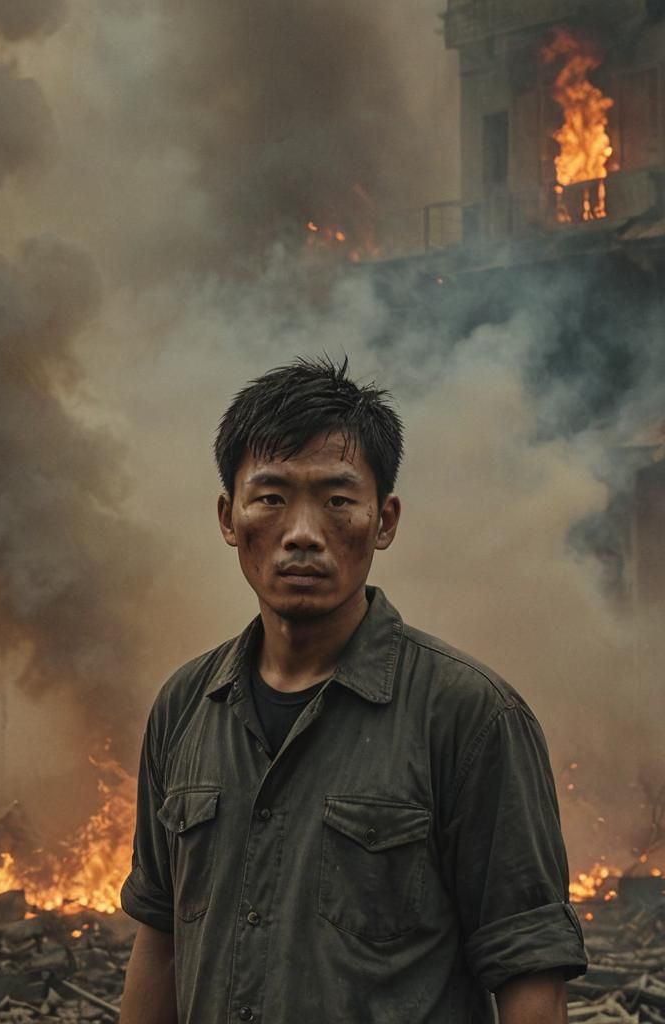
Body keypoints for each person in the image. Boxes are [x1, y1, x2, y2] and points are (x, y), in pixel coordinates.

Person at [118, 357, 587, 1023]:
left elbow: (530, 971)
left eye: (338, 501)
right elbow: (161, 940)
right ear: (229, 517)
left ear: (384, 521)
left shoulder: (470, 715)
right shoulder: (186, 706)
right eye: (271, 498)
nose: (303, 534)